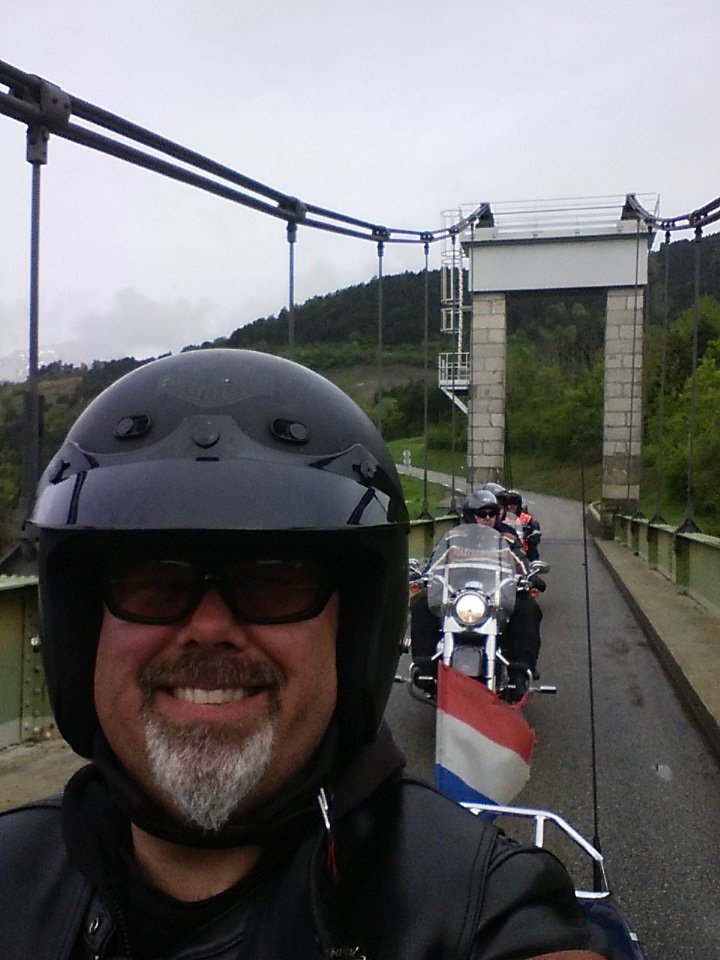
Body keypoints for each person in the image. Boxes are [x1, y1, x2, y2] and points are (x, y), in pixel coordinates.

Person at [0, 349, 611, 959]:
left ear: (355, 637)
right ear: (81, 634)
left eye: (275, 580)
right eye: (151, 581)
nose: (209, 628)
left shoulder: (477, 904)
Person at [411, 489, 543, 689]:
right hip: (459, 594)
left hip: (495, 595)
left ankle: (521, 672)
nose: (488, 518)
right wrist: (423, 574)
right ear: (470, 515)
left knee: (528, 607)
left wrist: (529, 576)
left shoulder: (506, 537)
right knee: (422, 600)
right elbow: (435, 561)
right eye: (483, 514)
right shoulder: (452, 537)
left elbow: (520, 561)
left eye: (492, 513)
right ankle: (425, 667)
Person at [506, 489, 542, 562]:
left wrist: (531, 535)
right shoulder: (498, 518)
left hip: (523, 551)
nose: (510, 506)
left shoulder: (527, 519)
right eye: (508, 504)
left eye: (513, 504)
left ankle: (532, 567)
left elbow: (535, 531)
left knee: (532, 555)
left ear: (518, 505)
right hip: (505, 550)